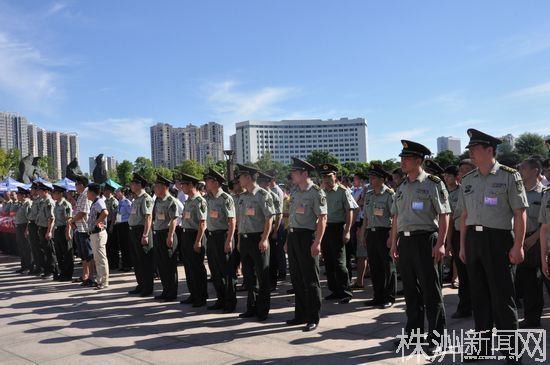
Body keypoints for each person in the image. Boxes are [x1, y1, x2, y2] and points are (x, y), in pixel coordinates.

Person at [458, 129, 528, 363]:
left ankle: (511, 350)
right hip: (474, 241)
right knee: (479, 297)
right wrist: (462, 246)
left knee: (502, 297)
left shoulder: (509, 176)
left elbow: (520, 213)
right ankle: (482, 347)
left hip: (498, 240)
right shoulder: (468, 180)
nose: (472, 154)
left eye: (475, 149)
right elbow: (464, 215)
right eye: (470, 150)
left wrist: (518, 245)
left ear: (490, 150)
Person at [390, 140, 451, 355]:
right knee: (410, 292)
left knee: (431, 291)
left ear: (419, 160)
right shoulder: (402, 186)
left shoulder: (433, 183)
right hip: (405, 242)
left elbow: (444, 215)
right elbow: (396, 216)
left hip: (426, 240)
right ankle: (413, 335)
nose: (402, 162)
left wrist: (442, 243)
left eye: (406, 158)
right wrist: (393, 240)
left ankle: (436, 338)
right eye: (402, 158)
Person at [285, 157, 327, 332]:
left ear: (304, 173)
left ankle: (313, 317)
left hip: (307, 237)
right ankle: (300, 314)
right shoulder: (294, 192)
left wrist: (317, 242)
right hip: (294, 237)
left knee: (311, 280)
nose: (292, 175)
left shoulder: (316, 192)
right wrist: (288, 240)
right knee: (296, 278)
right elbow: (292, 219)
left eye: (295, 172)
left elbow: (323, 218)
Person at [235, 164, 275, 321]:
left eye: (241, 176)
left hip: (258, 238)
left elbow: (269, 217)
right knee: (249, 276)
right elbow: (241, 221)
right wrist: (239, 240)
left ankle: (263, 310)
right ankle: (251, 307)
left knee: (262, 275)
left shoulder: (263, 195)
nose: (239, 180)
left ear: (248, 177)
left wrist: (265, 238)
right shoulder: (243, 196)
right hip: (245, 239)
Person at [359, 164, 396, 309]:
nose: (371, 180)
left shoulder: (389, 194)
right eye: (370, 177)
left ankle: (389, 297)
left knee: (388, 266)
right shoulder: (368, 194)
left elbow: (395, 217)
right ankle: (378, 296)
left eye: (373, 178)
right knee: (375, 267)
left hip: (384, 232)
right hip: (371, 232)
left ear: (382, 179)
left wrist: (391, 237)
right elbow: (366, 218)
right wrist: (363, 234)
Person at [318, 163, 354, 304]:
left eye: (329, 176)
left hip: (338, 228)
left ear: (335, 176)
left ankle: (345, 291)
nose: (326, 179)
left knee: (340, 263)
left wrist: (347, 231)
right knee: (328, 262)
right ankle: (334, 290)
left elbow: (349, 211)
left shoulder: (343, 191)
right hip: (325, 228)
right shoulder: (321, 192)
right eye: (324, 177)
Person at [515, 158, 544, 328]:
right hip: (522, 241)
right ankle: (532, 318)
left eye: (523, 167)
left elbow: (547, 222)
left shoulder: (544, 193)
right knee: (530, 283)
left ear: (535, 171)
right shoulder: (517, 191)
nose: (520, 169)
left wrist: (534, 239)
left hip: (538, 240)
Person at [204, 168, 237, 312]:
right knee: (215, 270)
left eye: (208, 180)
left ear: (216, 182)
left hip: (223, 236)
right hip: (211, 236)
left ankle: (230, 302)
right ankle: (220, 299)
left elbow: (232, 221)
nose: (205, 183)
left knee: (227, 272)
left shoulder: (226, 198)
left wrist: (229, 240)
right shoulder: (208, 198)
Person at [444, 161, 474, 319]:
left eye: (465, 171)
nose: (462, 174)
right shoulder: (457, 192)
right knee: (463, 273)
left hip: (474, 234)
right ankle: (465, 307)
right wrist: (448, 242)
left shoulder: (470, 190)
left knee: (477, 274)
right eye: (460, 171)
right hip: (458, 234)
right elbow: (449, 221)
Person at [179, 173, 208, 307]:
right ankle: (193, 294)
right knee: (189, 268)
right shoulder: (188, 200)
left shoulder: (199, 201)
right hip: (186, 235)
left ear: (191, 185)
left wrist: (198, 241)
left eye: (184, 184)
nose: (181, 187)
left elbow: (203, 223)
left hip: (195, 235)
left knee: (197, 268)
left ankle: (201, 296)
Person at [152, 174, 179, 302]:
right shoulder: (157, 200)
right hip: (158, 233)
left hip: (167, 233)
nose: (155, 189)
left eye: (157, 186)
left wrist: (170, 236)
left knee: (169, 265)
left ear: (164, 187)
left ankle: (172, 292)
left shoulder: (171, 201)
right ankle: (165, 289)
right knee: (161, 265)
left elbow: (174, 219)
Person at [128, 173, 154, 297]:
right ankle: (141, 284)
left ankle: (147, 287)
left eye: (133, 183)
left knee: (145, 261)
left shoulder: (146, 198)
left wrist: (145, 235)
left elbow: (148, 217)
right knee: (137, 260)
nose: (131, 185)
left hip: (141, 230)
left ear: (139, 185)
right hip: (133, 230)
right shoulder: (136, 198)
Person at [257, 171, 283, 291]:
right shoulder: (258, 195)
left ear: (267, 183)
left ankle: (272, 283)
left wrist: (276, 231)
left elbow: (278, 216)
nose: (259, 184)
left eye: (261, 182)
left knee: (271, 258)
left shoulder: (273, 196)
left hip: (271, 229)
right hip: (259, 230)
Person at [72, 175, 94, 286]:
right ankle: (85, 275)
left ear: (82, 185)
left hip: (85, 229)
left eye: (76, 184)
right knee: (84, 255)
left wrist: (71, 220)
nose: (75, 186)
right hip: (79, 228)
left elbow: (82, 213)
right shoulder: (81, 195)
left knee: (89, 255)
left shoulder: (85, 195)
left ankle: (90, 277)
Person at [35, 181, 59, 280]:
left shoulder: (49, 202)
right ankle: (48, 270)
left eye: (40, 191)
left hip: (47, 228)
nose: (38, 192)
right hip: (42, 227)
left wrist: (49, 231)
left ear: (45, 191)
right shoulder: (43, 201)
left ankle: (53, 271)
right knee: (46, 251)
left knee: (50, 251)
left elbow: (51, 218)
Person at [87, 183, 109, 290]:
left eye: (88, 191)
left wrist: (97, 222)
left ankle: (104, 282)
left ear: (92, 192)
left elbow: (105, 212)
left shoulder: (99, 201)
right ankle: (100, 280)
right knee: (97, 259)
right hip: (94, 234)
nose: (87, 194)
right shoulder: (94, 202)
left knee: (101, 258)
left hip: (99, 233)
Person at [52, 184, 74, 281]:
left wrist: (68, 232)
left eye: (55, 193)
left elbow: (69, 219)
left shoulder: (66, 204)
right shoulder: (56, 204)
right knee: (59, 252)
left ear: (60, 194)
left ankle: (68, 274)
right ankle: (62, 272)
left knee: (67, 253)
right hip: (58, 229)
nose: (53, 195)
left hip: (65, 229)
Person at [14, 186, 33, 273]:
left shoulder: (28, 204)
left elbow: (29, 219)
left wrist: (27, 229)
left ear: (23, 195)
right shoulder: (21, 203)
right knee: (21, 247)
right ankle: (23, 266)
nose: (17, 196)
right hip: (19, 227)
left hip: (24, 227)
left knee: (27, 248)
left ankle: (29, 266)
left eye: (18, 194)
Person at [27, 183, 43, 275]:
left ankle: (40, 267)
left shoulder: (40, 201)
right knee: (34, 247)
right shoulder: (34, 200)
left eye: (32, 189)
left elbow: (39, 215)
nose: (30, 191)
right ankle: (37, 266)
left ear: (36, 190)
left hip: (37, 225)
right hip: (32, 224)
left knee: (38, 247)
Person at [115, 187, 133, 271]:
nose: (116, 194)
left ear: (122, 193)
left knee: (127, 245)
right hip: (120, 224)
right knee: (122, 246)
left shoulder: (127, 202)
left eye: (118, 192)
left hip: (126, 225)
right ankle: (124, 263)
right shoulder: (119, 203)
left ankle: (128, 264)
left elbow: (131, 214)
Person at [103, 182, 120, 270]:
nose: (104, 192)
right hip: (107, 223)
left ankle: (115, 263)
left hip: (112, 224)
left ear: (110, 191)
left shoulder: (114, 201)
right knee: (108, 245)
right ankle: (110, 262)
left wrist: (112, 226)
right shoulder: (105, 201)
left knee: (113, 245)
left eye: (105, 190)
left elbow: (114, 214)